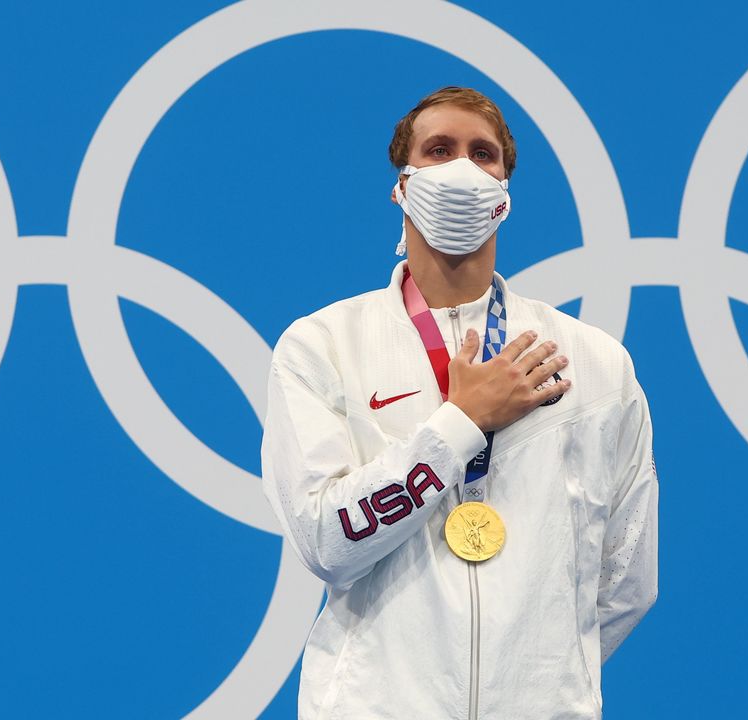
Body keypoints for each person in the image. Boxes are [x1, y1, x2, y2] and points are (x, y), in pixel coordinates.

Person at [261, 86, 658, 719]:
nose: (460, 171)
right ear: (402, 184)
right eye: (438, 150)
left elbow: (625, 579)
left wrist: (535, 681)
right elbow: (326, 540)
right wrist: (461, 423)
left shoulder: (595, 364)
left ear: (505, 194)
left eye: (483, 155)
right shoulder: (323, 346)